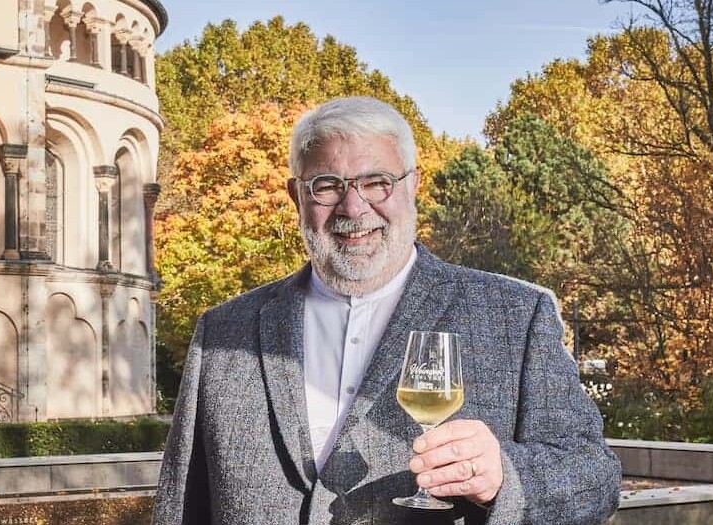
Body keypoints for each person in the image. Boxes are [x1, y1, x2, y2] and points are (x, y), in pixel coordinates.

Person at [153, 96, 621, 525]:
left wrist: (504, 477)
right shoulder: (223, 332)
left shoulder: (516, 316)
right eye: (327, 186)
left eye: (376, 182)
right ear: (297, 196)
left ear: (412, 186)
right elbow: (180, 508)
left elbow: (595, 478)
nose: (354, 208)